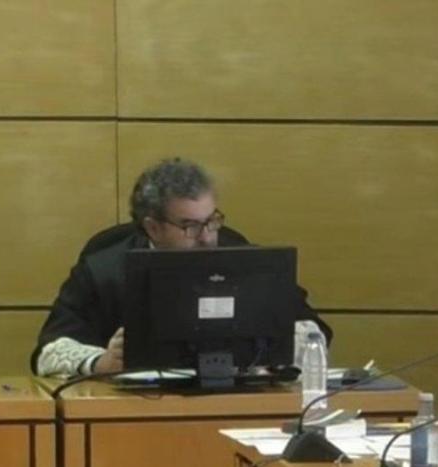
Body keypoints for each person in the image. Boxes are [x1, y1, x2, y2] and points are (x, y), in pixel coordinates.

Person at [31, 157, 327, 377]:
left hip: (233, 402)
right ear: (153, 227)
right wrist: (102, 362)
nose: (208, 237)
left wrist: (276, 350)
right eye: (190, 226)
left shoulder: (244, 258)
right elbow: (49, 352)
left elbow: (315, 332)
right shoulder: (103, 269)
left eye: (212, 220)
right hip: (133, 413)